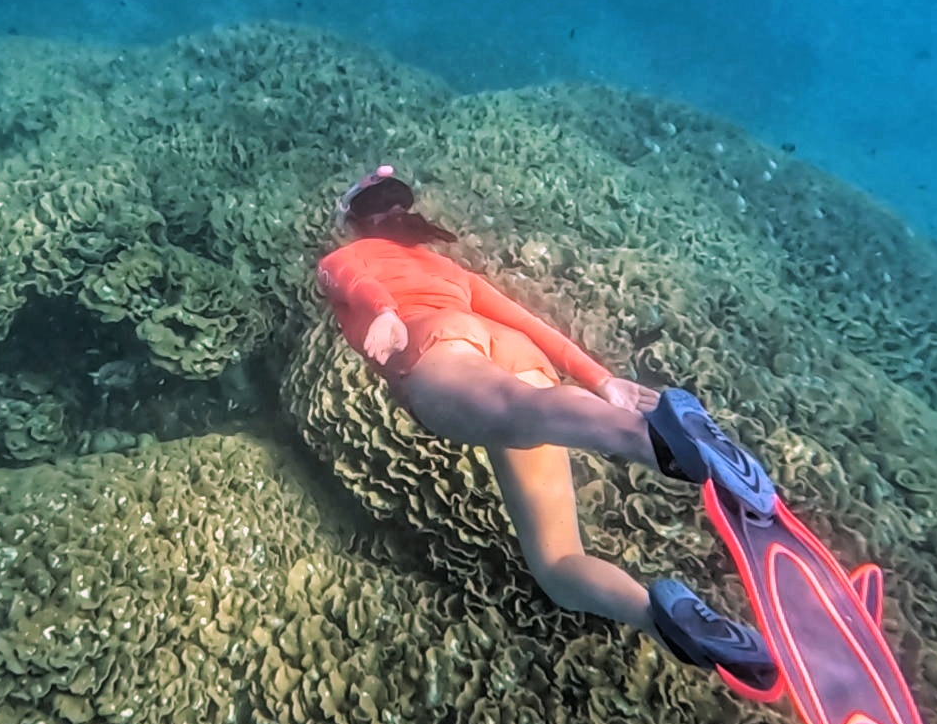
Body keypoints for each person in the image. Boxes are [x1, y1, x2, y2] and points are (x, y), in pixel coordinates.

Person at [317, 165, 775, 688]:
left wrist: (387, 314)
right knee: (557, 563)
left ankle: (658, 445)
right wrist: (602, 381)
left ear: (356, 222)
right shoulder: (451, 270)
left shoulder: (342, 255)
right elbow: (529, 323)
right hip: (517, 352)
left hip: (434, 341)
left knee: (516, 413)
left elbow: (358, 280)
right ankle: (666, 621)